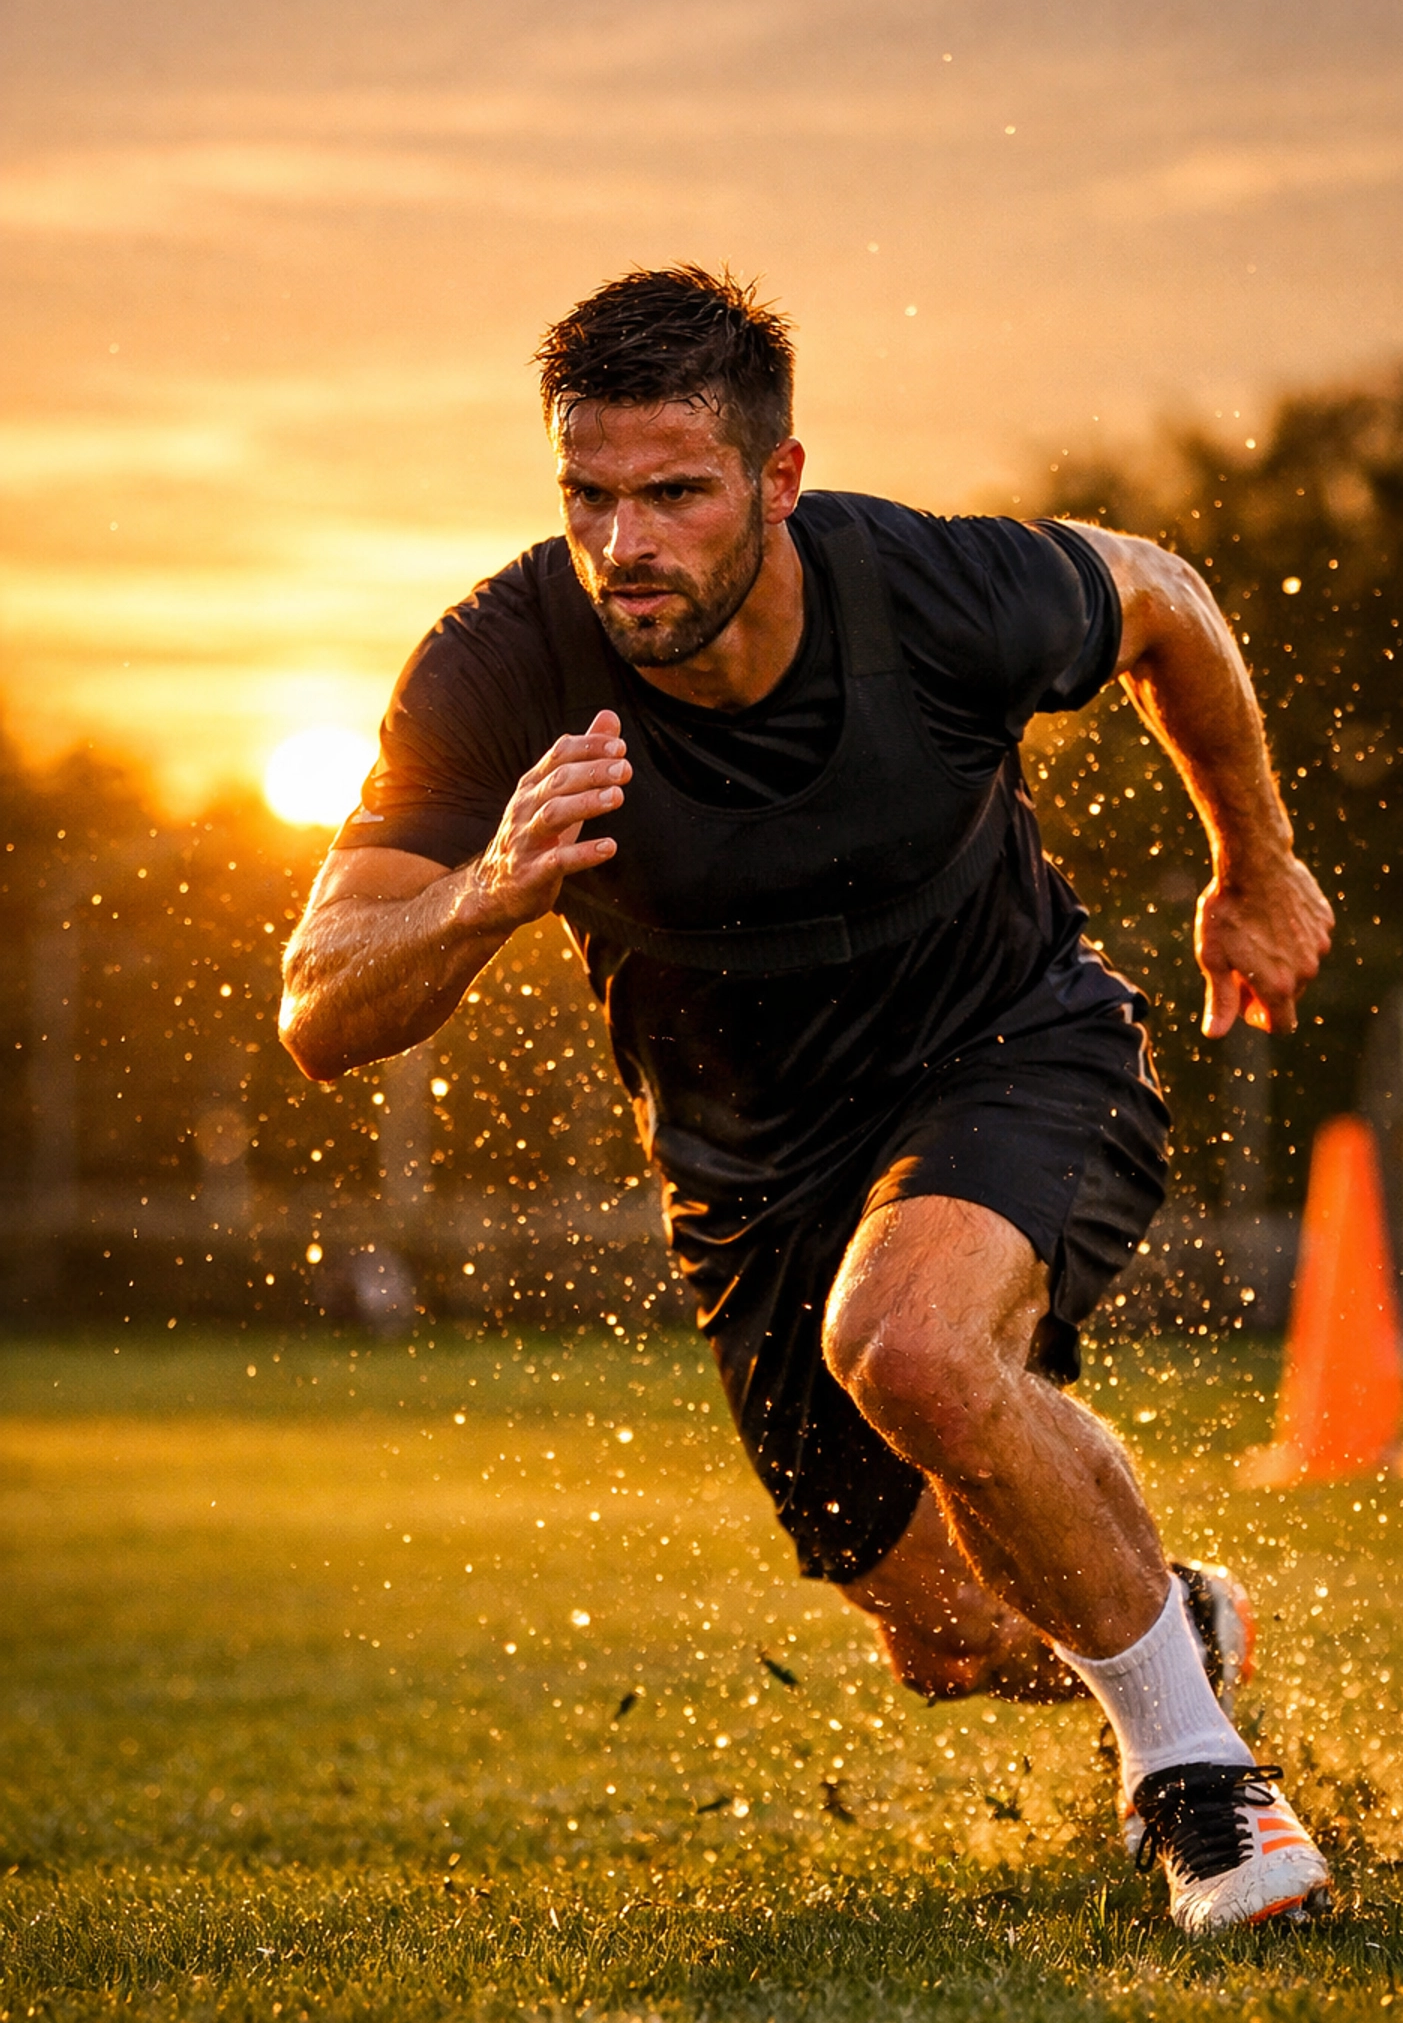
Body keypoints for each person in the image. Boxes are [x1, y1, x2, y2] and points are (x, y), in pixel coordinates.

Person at [280, 266, 1335, 1936]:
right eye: (590, 495)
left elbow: (1167, 602)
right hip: (748, 1182)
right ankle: (1173, 1622)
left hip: (1011, 1043)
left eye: (676, 492)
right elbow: (320, 1005)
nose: (628, 545)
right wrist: (485, 890)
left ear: (776, 481)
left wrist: (1254, 864)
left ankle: (1202, 1787)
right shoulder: (501, 665)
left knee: (909, 1343)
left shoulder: (932, 588)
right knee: (959, 1641)